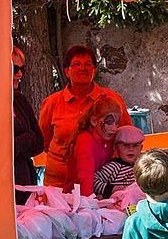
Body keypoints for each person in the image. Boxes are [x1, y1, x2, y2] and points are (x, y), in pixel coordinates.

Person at [38, 45, 131, 188]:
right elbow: (44, 142)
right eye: (76, 64)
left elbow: (126, 136)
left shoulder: (113, 100)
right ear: (66, 71)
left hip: (103, 183)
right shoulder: (51, 103)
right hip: (58, 185)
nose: (83, 68)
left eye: (88, 64)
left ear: (94, 70)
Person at [62, 97, 122, 195]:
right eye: (109, 123)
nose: (114, 128)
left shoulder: (107, 140)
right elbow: (85, 177)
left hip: (94, 194)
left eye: (117, 123)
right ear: (94, 121)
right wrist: (89, 202)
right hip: (76, 197)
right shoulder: (85, 141)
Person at [12, 46, 44, 205]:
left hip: (26, 184)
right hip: (1, 186)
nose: (20, 74)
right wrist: (27, 138)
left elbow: (39, 143)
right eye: (14, 68)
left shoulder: (20, 101)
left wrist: (19, 143)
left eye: (22, 68)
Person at [93, 125, 145, 199]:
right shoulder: (114, 167)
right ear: (115, 147)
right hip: (115, 205)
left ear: (141, 148)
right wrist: (110, 189)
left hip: (134, 205)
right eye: (125, 145)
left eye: (135, 145)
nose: (131, 149)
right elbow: (93, 180)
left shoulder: (141, 166)